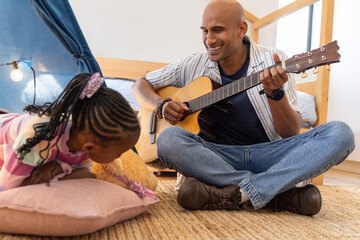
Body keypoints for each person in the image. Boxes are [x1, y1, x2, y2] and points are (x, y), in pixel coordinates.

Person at [132, 0, 355, 216]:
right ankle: (277, 193)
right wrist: (161, 105)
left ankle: (232, 193)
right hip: (214, 157)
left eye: (217, 30)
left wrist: (275, 94)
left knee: (341, 133)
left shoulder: (274, 60)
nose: (209, 40)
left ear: (241, 29)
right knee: (168, 139)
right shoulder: (192, 64)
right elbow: (140, 85)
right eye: (205, 31)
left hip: (270, 155)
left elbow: (290, 133)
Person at [0, 72, 140, 191]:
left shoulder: (84, 139)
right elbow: (7, 190)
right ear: (90, 147)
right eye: (118, 154)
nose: (119, 157)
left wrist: (58, 168)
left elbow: (84, 174)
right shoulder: (36, 138)